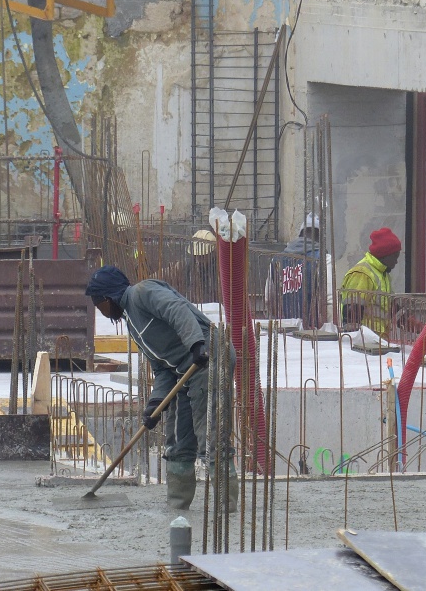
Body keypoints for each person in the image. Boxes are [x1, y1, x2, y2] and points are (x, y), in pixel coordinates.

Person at [85, 265, 236, 510]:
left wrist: (197, 344)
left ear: (108, 297)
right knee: (177, 439)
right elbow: (162, 367)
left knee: (210, 433)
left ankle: (225, 507)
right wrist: (155, 404)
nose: (100, 310)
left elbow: (176, 310)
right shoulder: (132, 324)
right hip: (184, 372)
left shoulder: (142, 293)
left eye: (98, 303)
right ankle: (178, 504)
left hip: (208, 358)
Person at [265, 213, 334, 328]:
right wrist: (330, 331)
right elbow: (329, 300)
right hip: (313, 333)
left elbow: (268, 299)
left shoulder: (276, 260)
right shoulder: (323, 259)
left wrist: (278, 322)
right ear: (321, 237)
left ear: (300, 235)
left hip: (285, 331)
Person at [340, 227, 401, 337]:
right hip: (364, 342)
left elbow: (392, 308)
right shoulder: (363, 273)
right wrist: (355, 342)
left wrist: (417, 325)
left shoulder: (383, 274)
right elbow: (351, 313)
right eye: (395, 257)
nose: (396, 261)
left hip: (376, 341)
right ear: (385, 255)